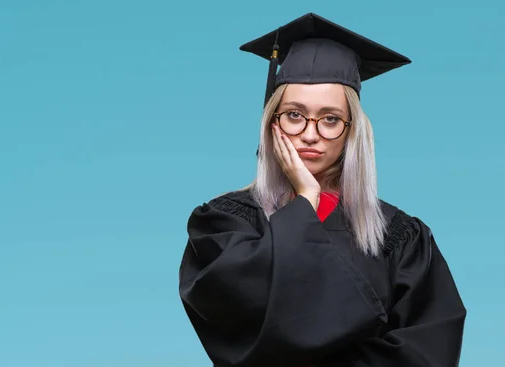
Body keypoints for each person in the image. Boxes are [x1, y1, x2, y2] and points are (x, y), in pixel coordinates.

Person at [178, 12, 467, 367]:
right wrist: (305, 201)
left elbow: (427, 351)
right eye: (294, 115)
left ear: (351, 131)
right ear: (272, 123)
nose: (311, 133)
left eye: (330, 119)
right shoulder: (226, 222)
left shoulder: (399, 237)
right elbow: (235, 321)